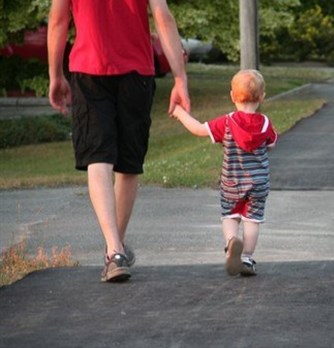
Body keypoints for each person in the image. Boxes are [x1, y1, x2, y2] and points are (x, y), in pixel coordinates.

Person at [47, 0, 191, 282]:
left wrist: (55, 74)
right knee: (128, 164)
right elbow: (162, 17)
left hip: (89, 69)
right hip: (137, 72)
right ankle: (116, 252)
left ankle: (114, 250)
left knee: (97, 158)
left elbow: (58, 20)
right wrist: (180, 78)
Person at [171, 69, 277, 276]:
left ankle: (231, 243)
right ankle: (246, 258)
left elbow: (199, 129)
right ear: (262, 97)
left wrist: (180, 113)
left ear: (232, 96)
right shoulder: (265, 123)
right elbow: (271, 144)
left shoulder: (227, 122)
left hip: (232, 181)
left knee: (230, 216)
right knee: (252, 220)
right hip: (259, 182)